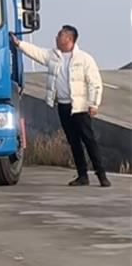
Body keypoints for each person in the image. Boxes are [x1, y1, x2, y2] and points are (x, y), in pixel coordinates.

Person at [10, 26, 110, 187]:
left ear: (69, 39)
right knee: (73, 141)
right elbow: (36, 52)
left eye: (60, 35)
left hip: (80, 107)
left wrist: (94, 104)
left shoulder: (84, 59)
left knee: (89, 140)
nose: (56, 37)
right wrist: (18, 43)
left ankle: (101, 175)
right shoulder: (53, 56)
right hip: (63, 106)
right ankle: (82, 175)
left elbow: (95, 83)